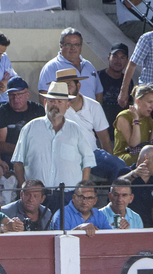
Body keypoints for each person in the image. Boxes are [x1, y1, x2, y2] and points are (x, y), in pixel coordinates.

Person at [12, 81, 95, 210]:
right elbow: (18, 161)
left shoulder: (76, 130)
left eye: (59, 101)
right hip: (36, 196)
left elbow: (87, 161)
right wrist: (26, 189)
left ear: (68, 105)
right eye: (51, 101)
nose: (54, 105)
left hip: (68, 195)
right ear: (45, 103)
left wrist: (81, 191)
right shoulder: (30, 128)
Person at [38, 28, 103, 101]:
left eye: (76, 44)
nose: (73, 48)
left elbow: (98, 92)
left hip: (90, 111)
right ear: (61, 46)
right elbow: (44, 97)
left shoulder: (89, 66)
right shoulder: (51, 67)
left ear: (80, 47)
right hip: (65, 112)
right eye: (68, 44)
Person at [114, 84, 153, 175]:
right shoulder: (124, 117)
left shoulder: (148, 117)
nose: (152, 106)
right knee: (151, 159)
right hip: (125, 155)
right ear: (138, 101)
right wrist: (136, 121)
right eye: (149, 102)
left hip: (144, 152)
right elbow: (134, 144)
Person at [0, 78, 44, 165]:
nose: (16, 98)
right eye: (12, 95)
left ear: (27, 95)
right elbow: (0, 144)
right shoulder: (1, 112)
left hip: (35, 153)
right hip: (10, 155)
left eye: (19, 94)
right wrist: (22, 151)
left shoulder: (38, 110)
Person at [118, 144, 153, 227]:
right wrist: (134, 174)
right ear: (146, 158)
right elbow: (116, 186)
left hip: (148, 228)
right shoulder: (125, 172)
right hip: (126, 227)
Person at [98, 44, 129, 133]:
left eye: (122, 57)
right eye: (115, 56)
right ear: (108, 57)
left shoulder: (128, 81)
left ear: (127, 61)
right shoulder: (97, 77)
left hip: (119, 133)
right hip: (99, 131)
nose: (118, 61)